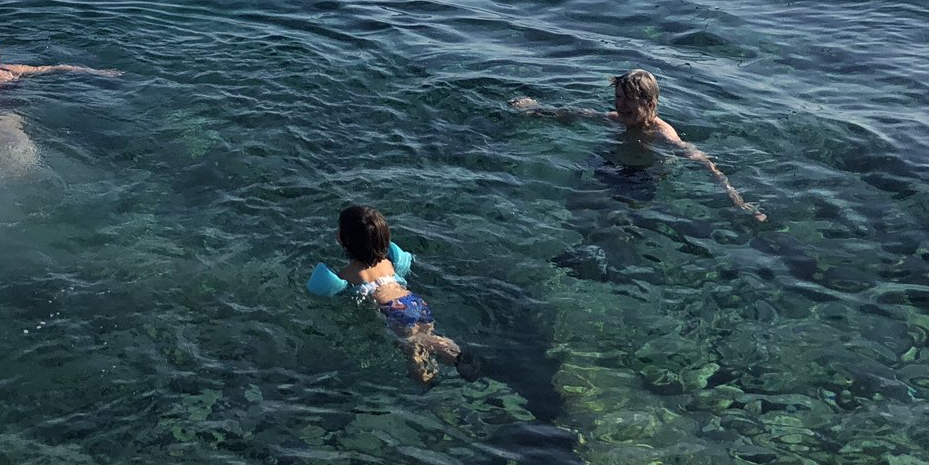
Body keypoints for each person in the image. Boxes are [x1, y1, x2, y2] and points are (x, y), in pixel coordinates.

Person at [513, 69, 765, 221]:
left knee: (618, 217)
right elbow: (577, 114)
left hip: (642, 178)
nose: (620, 105)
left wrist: (736, 198)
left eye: (629, 100)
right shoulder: (616, 119)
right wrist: (536, 108)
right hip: (610, 165)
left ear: (650, 103)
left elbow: (704, 163)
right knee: (576, 205)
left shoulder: (663, 135)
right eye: (618, 98)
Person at [322, 204, 474, 385]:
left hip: (393, 311)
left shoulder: (348, 274)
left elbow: (337, 292)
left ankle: (429, 383)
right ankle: (458, 358)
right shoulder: (387, 263)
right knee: (427, 337)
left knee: (413, 350)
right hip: (415, 302)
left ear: (343, 238)